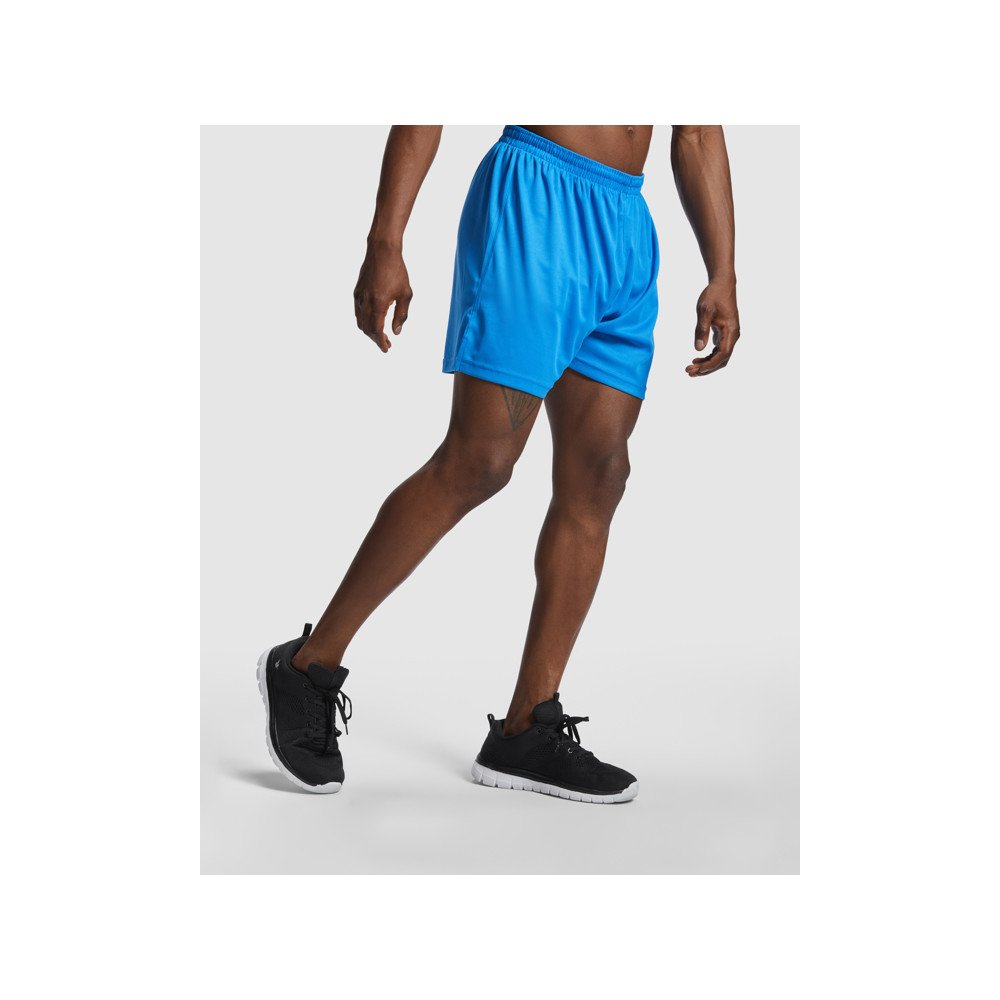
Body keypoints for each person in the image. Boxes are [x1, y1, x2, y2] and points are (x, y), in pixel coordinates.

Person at [257, 125, 740, 801]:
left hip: (626, 225)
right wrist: (386, 239)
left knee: (601, 475)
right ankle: (308, 667)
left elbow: (696, 130)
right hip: (536, 202)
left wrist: (723, 269)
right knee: (479, 461)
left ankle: (525, 730)